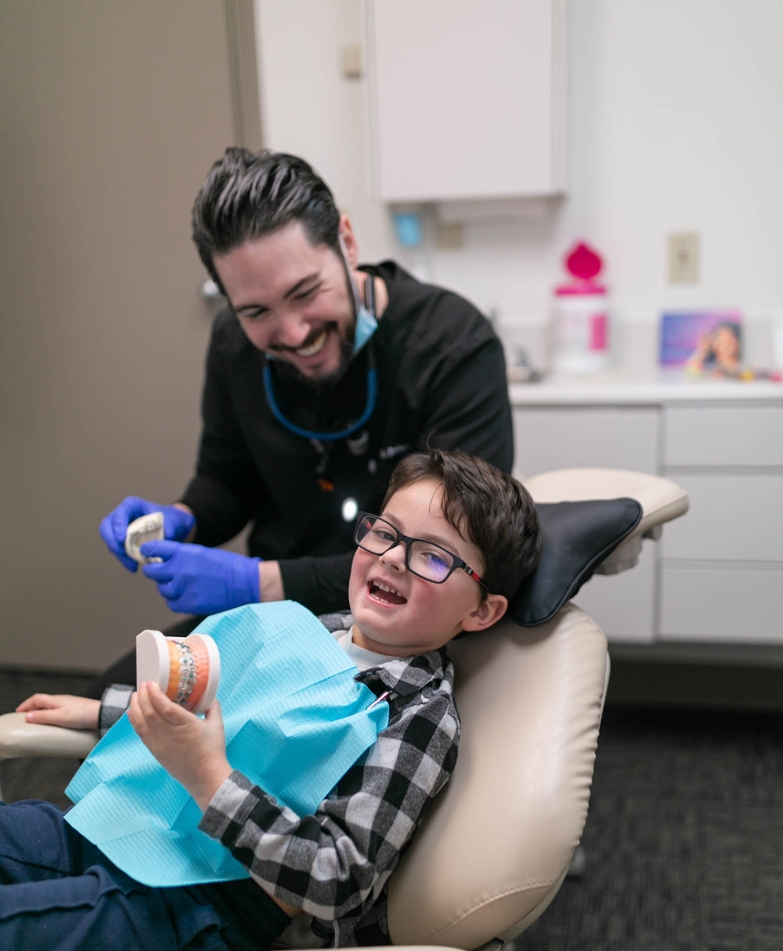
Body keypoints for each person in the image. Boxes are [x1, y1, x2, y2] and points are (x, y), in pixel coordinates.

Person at [3, 451, 541, 951]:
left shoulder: (419, 718)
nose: (394, 559)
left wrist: (210, 778)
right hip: (145, 827)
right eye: (385, 533)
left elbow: (337, 880)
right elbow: (227, 714)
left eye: (433, 557)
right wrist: (102, 712)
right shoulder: (314, 628)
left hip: (209, 907)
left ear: (481, 612)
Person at [89, 148, 513, 696]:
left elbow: (453, 553)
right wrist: (183, 517)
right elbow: (226, 479)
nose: (291, 333)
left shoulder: (453, 347)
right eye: (256, 312)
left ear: (347, 242)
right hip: (272, 621)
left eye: (305, 293)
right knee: (108, 706)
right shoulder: (232, 347)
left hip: (396, 635)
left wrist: (255, 581)